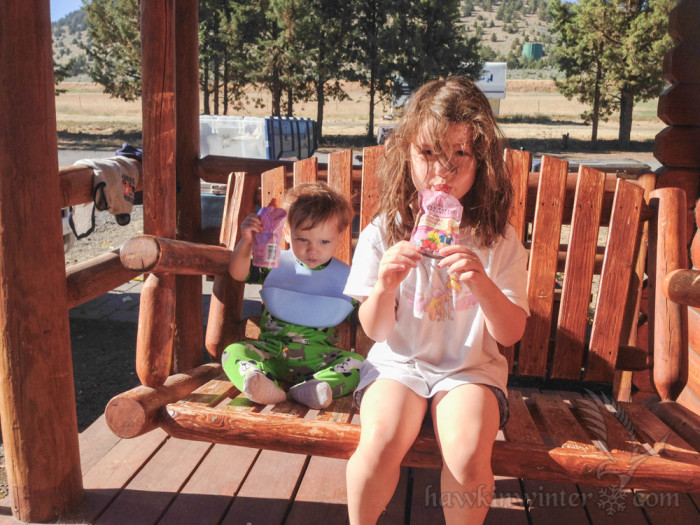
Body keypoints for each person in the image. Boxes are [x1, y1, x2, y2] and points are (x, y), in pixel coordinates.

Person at [343, 77, 529, 524]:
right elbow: (375, 330)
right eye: (428, 154)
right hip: (398, 365)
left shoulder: (497, 240)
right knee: (381, 440)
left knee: (466, 455)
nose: (441, 173)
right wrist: (386, 284)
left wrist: (481, 283)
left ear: (480, 162)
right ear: (407, 153)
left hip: (470, 371)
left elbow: (510, 333)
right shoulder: (384, 231)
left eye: (458, 156)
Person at [222, 181, 364, 410]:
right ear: (287, 233)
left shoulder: (346, 279)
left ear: (339, 237)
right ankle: (258, 382)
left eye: (324, 241)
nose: (312, 249)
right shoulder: (275, 265)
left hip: (321, 359)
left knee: (358, 364)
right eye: (303, 239)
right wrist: (247, 241)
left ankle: (316, 388)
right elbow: (238, 273)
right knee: (233, 352)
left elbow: (361, 315)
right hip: (271, 353)